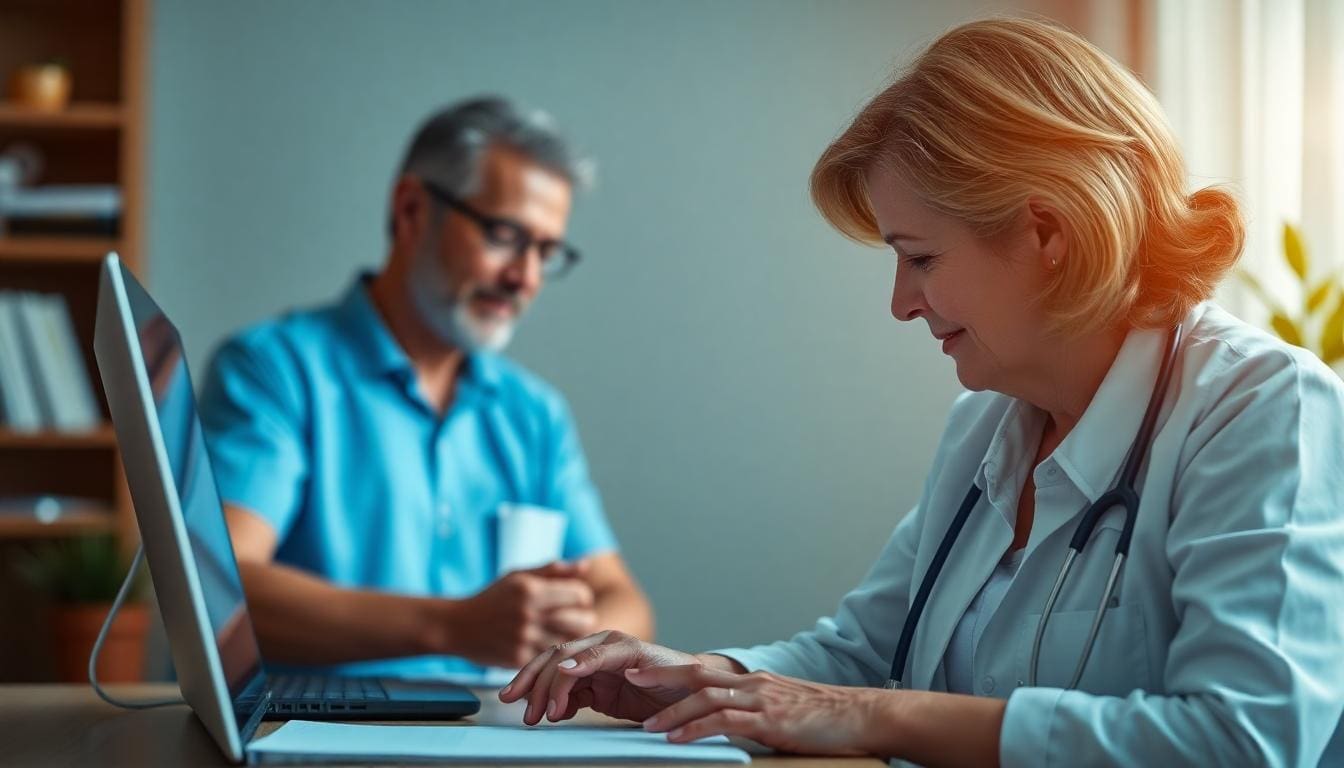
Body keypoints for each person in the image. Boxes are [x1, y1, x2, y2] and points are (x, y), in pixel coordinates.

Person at [500, 18, 1344, 766]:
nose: (901, 303)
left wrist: (879, 717)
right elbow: (863, 657)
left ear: (1048, 230)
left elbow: (1246, 740)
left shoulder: (1262, 409)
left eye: (922, 258)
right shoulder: (985, 427)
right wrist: (694, 682)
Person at [198, 97, 654, 682]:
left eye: (546, 251)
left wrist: (569, 636)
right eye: (506, 236)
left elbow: (626, 602)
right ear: (411, 210)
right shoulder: (272, 370)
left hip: (497, 740)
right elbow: (220, 583)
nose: (526, 278)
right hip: (317, 744)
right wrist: (454, 627)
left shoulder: (534, 414)